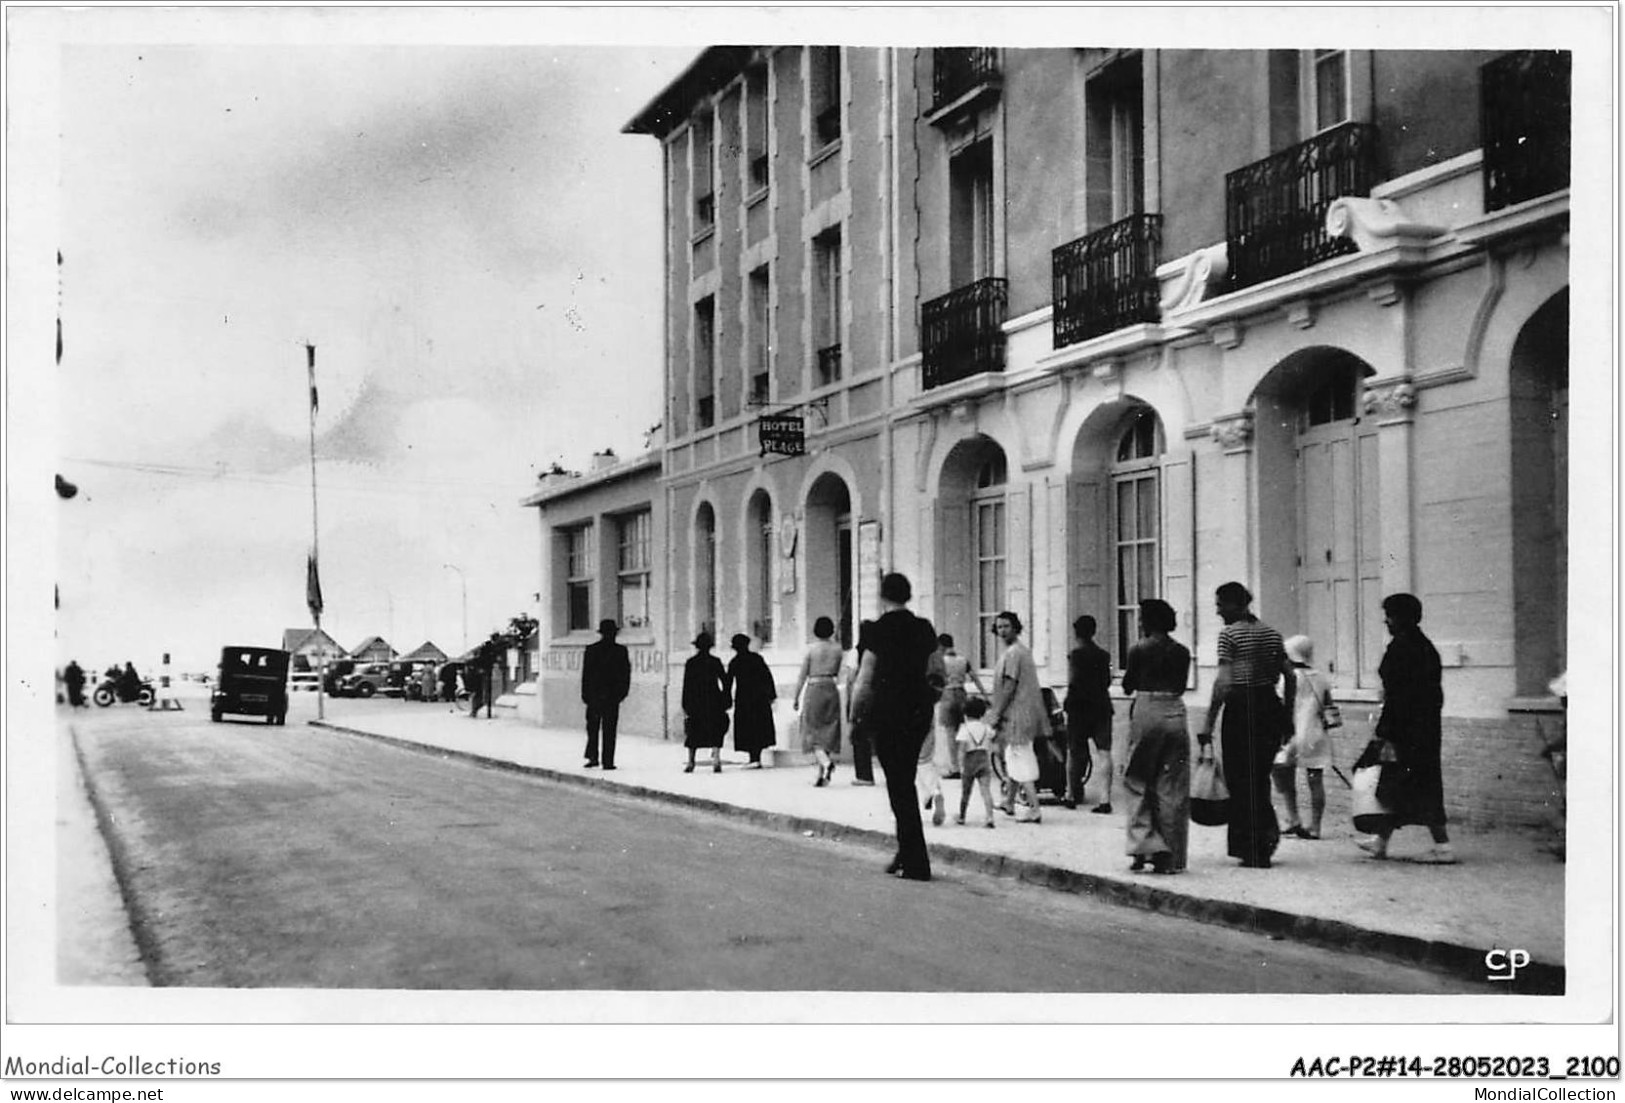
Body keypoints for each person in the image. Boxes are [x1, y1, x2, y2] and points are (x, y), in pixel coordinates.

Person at [849, 573, 942, 882]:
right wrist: (926, 701)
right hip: (917, 714)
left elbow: (865, 679)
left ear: (883, 596)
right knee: (905, 779)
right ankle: (905, 852)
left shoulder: (876, 631)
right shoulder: (923, 628)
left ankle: (916, 862)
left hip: (887, 714)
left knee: (898, 784)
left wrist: (855, 718)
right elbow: (938, 673)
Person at [1197, 582, 1293, 868]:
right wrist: (1287, 715)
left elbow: (1224, 682)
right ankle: (1264, 841)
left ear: (1236, 605)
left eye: (1220, 605)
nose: (1217, 612)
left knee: (1239, 779)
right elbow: (1291, 676)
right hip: (1269, 706)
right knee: (1260, 777)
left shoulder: (1229, 635)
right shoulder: (1272, 634)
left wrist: (1208, 722)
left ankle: (1250, 846)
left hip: (1241, 708)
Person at [1357, 594, 1456, 864]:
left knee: (1419, 786)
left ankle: (1443, 846)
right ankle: (1380, 842)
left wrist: (1383, 731)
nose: (1385, 621)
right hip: (1424, 729)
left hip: (1403, 731)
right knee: (1395, 783)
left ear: (1401, 618)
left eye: (1389, 615)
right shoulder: (1425, 647)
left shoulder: (1401, 648)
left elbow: (1398, 696)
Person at [1120, 599, 1192, 875]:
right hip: (1174, 710)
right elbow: (1182, 686)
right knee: (1172, 785)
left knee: (1138, 779)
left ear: (1148, 621)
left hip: (1147, 708)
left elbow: (1128, 685)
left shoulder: (1138, 649)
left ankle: (1142, 847)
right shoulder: (1182, 652)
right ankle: (1171, 856)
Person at [1274, 635, 1335, 840]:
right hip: (1315, 733)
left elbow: (1280, 705)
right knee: (1315, 781)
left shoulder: (1286, 678)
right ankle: (1315, 826)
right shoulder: (1321, 677)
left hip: (1291, 734)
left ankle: (1293, 818)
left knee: (1284, 775)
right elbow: (1327, 704)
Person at [988, 611, 1047, 824]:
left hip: (1016, 714)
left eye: (1006, 626)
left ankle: (1034, 808)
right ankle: (1009, 801)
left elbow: (1009, 686)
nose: (1002, 631)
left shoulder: (1013, 653)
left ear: (1015, 627)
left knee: (1019, 759)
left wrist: (996, 714)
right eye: (999, 627)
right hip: (1023, 713)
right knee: (1014, 757)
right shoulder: (1021, 651)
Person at [1065, 615, 1115, 812]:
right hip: (1101, 705)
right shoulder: (1105, 655)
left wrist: (1068, 702)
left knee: (1074, 752)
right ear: (1094, 631)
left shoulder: (1074, 655)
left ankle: (1070, 795)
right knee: (1104, 752)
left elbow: (1072, 680)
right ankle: (1105, 799)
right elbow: (1108, 681)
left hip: (1079, 707)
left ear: (1076, 632)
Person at [792, 616, 845, 786]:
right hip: (831, 687)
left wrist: (796, 696)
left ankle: (826, 763)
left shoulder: (811, 649)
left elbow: (802, 675)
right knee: (829, 730)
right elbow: (840, 672)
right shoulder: (838, 649)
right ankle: (822, 774)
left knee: (811, 731)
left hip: (814, 688)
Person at [932, 633, 986, 780]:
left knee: (950, 733)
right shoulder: (963, 660)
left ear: (941, 646)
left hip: (947, 694)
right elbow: (974, 677)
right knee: (963, 732)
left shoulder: (941, 661)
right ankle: (966, 765)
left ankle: (954, 767)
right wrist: (985, 694)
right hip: (962, 694)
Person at [581, 619, 631, 769]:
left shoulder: (593, 650)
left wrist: (585, 694)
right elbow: (625, 675)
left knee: (594, 728)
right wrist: (621, 693)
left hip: (598, 696)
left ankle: (595, 758)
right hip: (608, 696)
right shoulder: (619, 651)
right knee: (607, 729)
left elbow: (586, 675)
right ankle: (606, 760)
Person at [681, 631, 730, 774]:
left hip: (696, 701)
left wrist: (685, 704)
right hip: (713, 699)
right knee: (715, 730)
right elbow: (725, 681)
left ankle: (691, 761)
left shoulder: (691, 663)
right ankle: (716, 760)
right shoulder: (715, 662)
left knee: (693, 732)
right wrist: (725, 698)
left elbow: (687, 685)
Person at [726, 634, 777, 768]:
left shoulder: (735, 662)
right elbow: (767, 677)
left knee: (747, 727)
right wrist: (771, 695)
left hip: (744, 698)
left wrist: (726, 700)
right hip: (759, 697)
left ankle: (753, 758)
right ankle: (756, 756)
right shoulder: (757, 658)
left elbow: (728, 683)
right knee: (758, 727)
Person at [955, 696, 999, 828]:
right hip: (984, 759)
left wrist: (960, 765)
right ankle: (990, 816)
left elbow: (961, 749)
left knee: (966, 792)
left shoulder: (965, 729)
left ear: (965, 713)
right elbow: (993, 739)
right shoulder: (986, 728)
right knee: (985, 790)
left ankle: (962, 816)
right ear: (982, 713)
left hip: (970, 760)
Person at [844, 622, 877, 787]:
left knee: (859, 736)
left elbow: (851, 678)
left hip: (861, 696)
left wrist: (850, 703)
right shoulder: (879, 652)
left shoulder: (855, 652)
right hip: (878, 696)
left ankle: (864, 774)